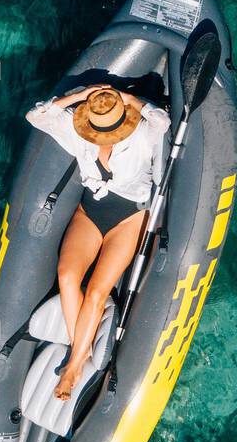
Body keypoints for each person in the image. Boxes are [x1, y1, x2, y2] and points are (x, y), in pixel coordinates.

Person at [26, 84, 169, 400]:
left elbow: (161, 121)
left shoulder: (143, 133)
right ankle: (83, 346)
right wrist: (79, 98)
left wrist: (130, 100)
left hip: (128, 218)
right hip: (89, 212)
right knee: (67, 277)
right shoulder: (79, 130)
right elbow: (36, 116)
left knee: (96, 292)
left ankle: (75, 365)